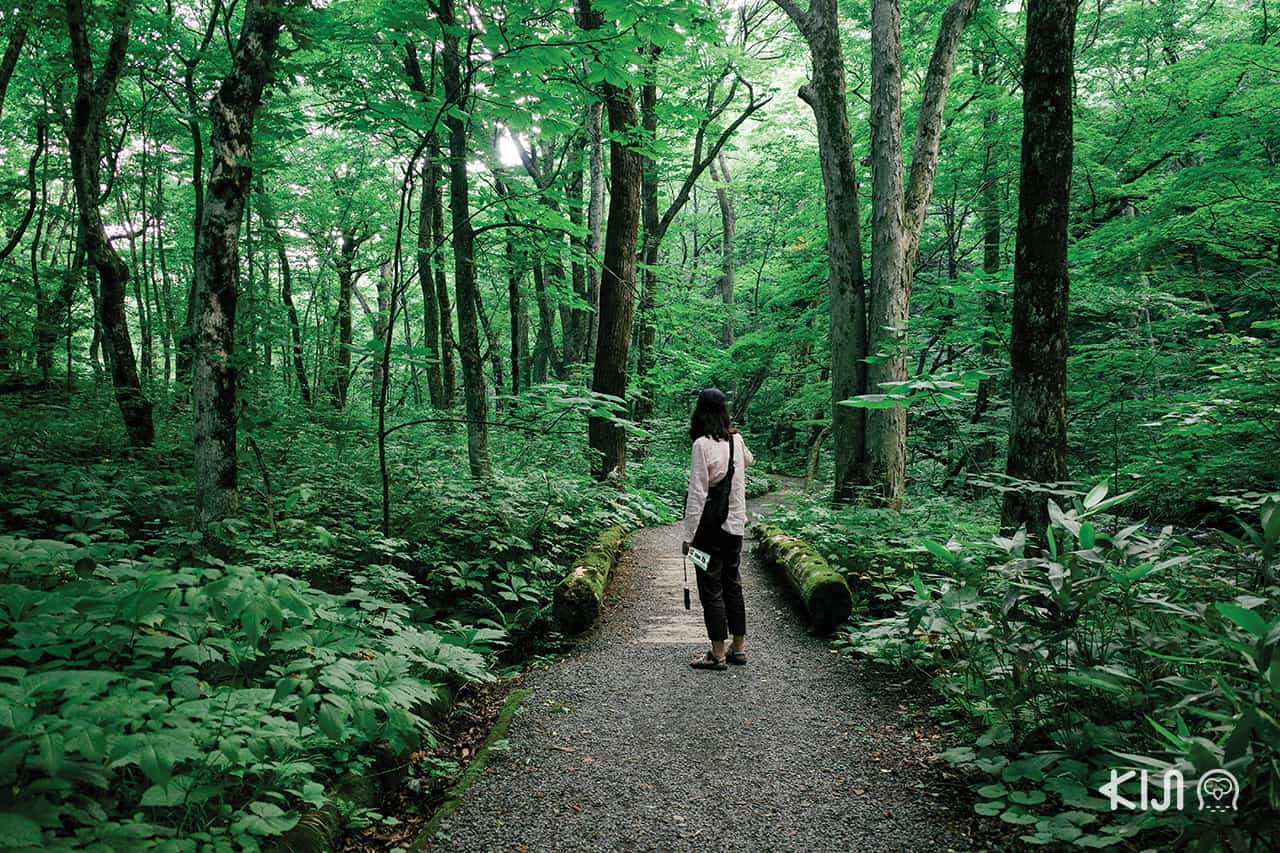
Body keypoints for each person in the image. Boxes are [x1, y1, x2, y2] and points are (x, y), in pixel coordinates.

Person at [682, 387, 753, 671]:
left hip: (709, 530)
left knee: (711, 588)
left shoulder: (701, 444)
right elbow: (748, 461)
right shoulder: (736, 439)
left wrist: (688, 537)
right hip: (735, 526)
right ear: (724, 411)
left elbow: (698, 493)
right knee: (732, 584)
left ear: (700, 412)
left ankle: (717, 653)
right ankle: (738, 649)